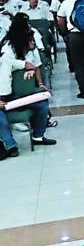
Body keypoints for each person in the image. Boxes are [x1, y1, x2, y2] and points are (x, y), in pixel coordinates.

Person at [0, 25, 55, 159]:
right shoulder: (7, 50)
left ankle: (38, 136)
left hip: (11, 96)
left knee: (42, 104)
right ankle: (10, 145)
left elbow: (12, 63)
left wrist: (26, 66)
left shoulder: (4, 59)